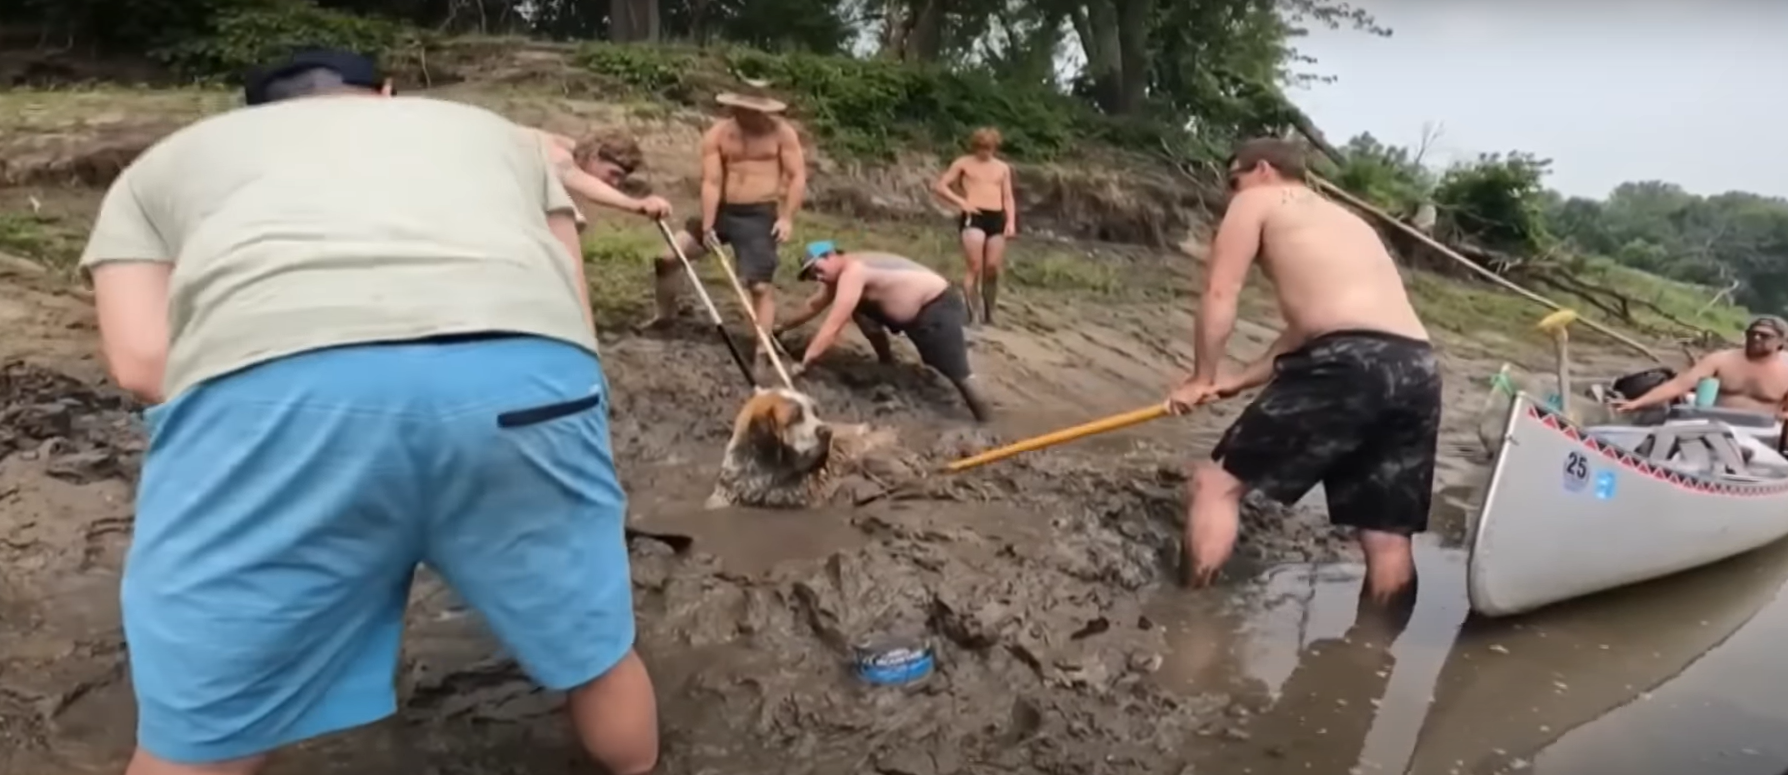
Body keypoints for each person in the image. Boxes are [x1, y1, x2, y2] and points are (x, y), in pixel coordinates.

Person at [83, 49, 656, 775]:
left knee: (204, 725)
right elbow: (573, 312)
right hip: (526, 386)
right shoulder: (494, 135)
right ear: (388, 95)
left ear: (249, 116)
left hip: (276, 401)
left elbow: (140, 363)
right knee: (597, 648)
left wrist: (301, 408)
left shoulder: (166, 164)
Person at [1164, 137, 1440, 607]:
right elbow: (1308, 331)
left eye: (1235, 180)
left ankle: (1188, 621)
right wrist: (1234, 379)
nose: (1232, 193)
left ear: (1264, 169)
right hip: (1417, 365)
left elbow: (1219, 293)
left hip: (1349, 362)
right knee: (1386, 532)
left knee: (1216, 484)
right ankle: (1377, 657)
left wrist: (1200, 377)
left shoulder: (1256, 202)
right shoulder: (1349, 222)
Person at [776, 240, 992, 422]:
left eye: (818, 271)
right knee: (860, 310)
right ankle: (886, 362)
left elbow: (834, 324)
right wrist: (780, 327)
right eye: (814, 276)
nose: (819, 278)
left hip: (935, 306)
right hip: (907, 312)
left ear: (831, 255)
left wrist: (805, 362)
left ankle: (986, 418)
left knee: (955, 370)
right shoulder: (842, 274)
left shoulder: (854, 270)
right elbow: (813, 306)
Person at [699, 91, 807, 371]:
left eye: (752, 110)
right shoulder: (719, 134)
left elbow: (797, 177)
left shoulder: (782, 134)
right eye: (740, 109)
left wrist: (786, 218)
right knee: (670, 257)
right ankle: (664, 317)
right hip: (723, 210)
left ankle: (762, 349)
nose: (745, 115)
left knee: (759, 285)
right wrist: (707, 224)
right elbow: (711, 181)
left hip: (758, 214)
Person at [1613, 315, 1788, 416]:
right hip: (1714, 424)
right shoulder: (1721, 359)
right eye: (1752, 333)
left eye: (1764, 336)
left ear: (1780, 342)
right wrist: (1636, 403)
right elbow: (1680, 384)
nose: (1756, 338)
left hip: (1765, 430)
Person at [932, 127, 1017, 325]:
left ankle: (990, 312)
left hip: (997, 216)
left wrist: (1011, 221)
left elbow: (1008, 196)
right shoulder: (963, 163)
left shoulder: (1002, 167)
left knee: (992, 267)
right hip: (974, 215)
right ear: (975, 147)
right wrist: (961, 202)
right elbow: (940, 186)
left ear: (994, 147)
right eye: (980, 148)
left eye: (988, 148)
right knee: (975, 266)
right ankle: (971, 313)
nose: (984, 152)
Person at [532, 129, 671, 224]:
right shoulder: (557, 154)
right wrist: (637, 205)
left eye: (621, 178)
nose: (616, 183)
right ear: (594, 157)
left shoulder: (575, 150)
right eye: (614, 174)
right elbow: (577, 179)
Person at [643, 215, 713, 327]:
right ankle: (664, 317)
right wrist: (707, 228)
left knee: (749, 278)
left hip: (749, 218)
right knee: (666, 260)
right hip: (712, 219)